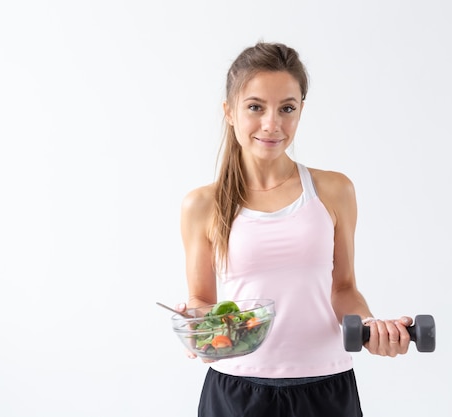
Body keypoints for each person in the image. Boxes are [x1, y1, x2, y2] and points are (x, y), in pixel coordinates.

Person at [176, 41, 413, 417]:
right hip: (236, 390)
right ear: (229, 112)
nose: (272, 124)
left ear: (300, 111)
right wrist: (197, 326)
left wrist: (370, 327)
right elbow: (201, 299)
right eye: (255, 107)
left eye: (287, 108)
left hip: (326, 386)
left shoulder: (334, 190)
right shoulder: (202, 204)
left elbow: (344, 288)